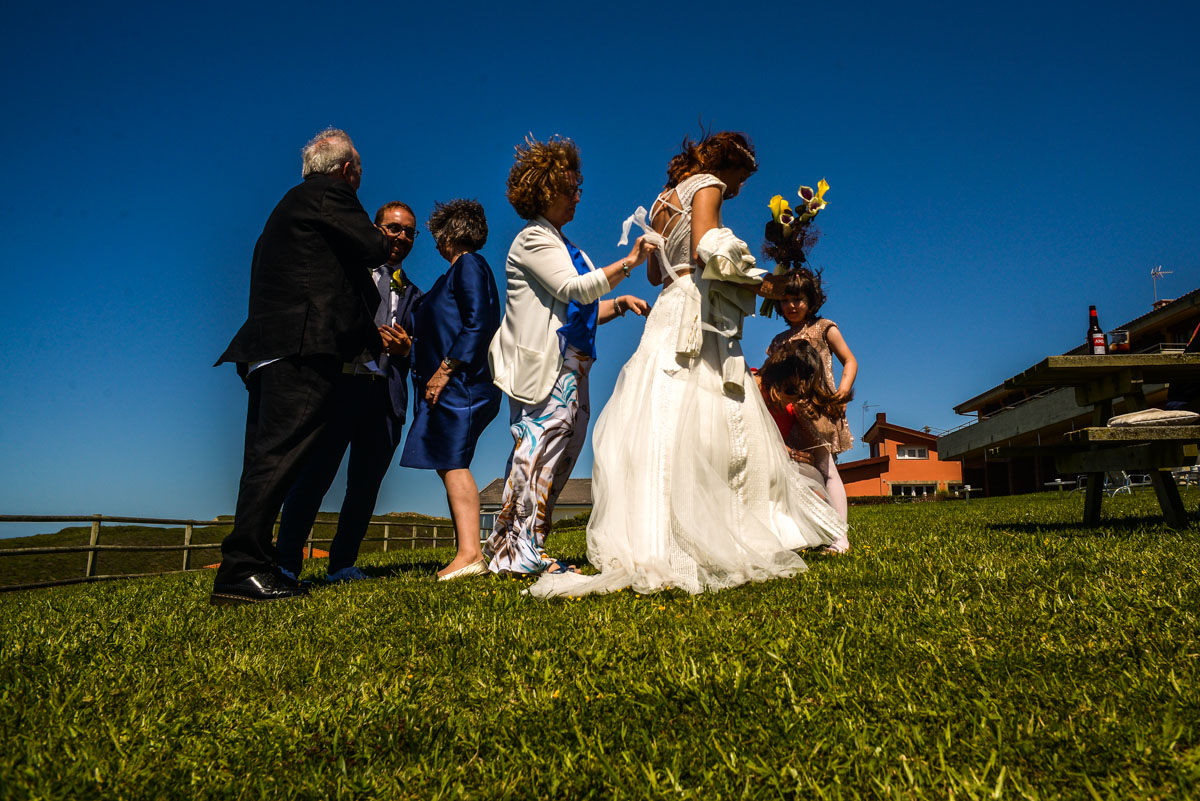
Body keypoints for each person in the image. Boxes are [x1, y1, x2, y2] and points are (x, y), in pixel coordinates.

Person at [528, 132, 845, 599]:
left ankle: (661, 532)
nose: (738, 188)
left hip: (667, 306)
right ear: (728, 165)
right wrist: (766, 285)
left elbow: (656, 273)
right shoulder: (709, 185)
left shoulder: (661, 201)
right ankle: (725, 528)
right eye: (741, 177)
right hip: (698, 309)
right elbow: (705, 250)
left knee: (663, 415)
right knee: (719, 411)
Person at [211, 128, 388, 604]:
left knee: (266, 459)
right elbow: (373, 248)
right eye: (359, 171)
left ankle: (255, 562)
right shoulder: (331, 193)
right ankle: (242, 569)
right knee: (278, 458)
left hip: (271, 348)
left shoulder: (288, 209)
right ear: (347, 170)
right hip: (302, 350)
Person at [484, 136, 654, 577]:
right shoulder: (533, 239)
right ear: (544, 191)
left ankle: (525, 544)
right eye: (570, 188)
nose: (578, 195)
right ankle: (515, 552)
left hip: (574, 365)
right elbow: (574, 289)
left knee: (561, 454)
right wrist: (629, 262)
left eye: (578, 187)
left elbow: (583, 308)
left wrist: (620, 304)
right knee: (536, 451)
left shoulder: (564, 244)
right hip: (545, 365)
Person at [273, 201, 423, 583]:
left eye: (409, 232)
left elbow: (425, 349)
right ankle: (286, 564)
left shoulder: (414, 294)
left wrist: (408, 349)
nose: (401, 236)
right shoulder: (346, 272)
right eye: (394, 228)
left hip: (383, 397)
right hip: (338, 388)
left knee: (365, 487)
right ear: (375, 228)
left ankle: (342, 565)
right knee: (313, 478)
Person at [398, 200, 503, 580]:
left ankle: (470, 554)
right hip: (456, 382)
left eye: (437, 234)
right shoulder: (457, 272)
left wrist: (443, 371)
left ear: (449, 234)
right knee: (448, 461)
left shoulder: (469, 265)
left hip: (462, 383)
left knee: (453, 460)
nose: (434, 242)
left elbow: (479, 323)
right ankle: (468, 551)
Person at [755, 337, 851, 544]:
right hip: (754, 458)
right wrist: (785, 450)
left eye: (800, 394)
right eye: (791, 391)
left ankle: (837, 536)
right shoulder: (752, 385)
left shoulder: (792, 411)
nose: (794, 399)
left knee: (814, 476)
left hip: (775, 462)